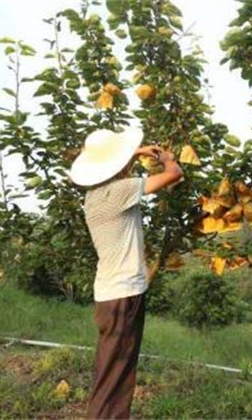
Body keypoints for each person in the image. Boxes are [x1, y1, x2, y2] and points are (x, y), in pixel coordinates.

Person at [69, 128, 183, 419]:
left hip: (109, 294)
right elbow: (174, 174)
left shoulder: (94, 196)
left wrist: (136, 152)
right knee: (118, 373)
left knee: (110, 367)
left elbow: (117, 171)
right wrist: (167, 159)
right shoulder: (121, 190)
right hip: (124, 295)